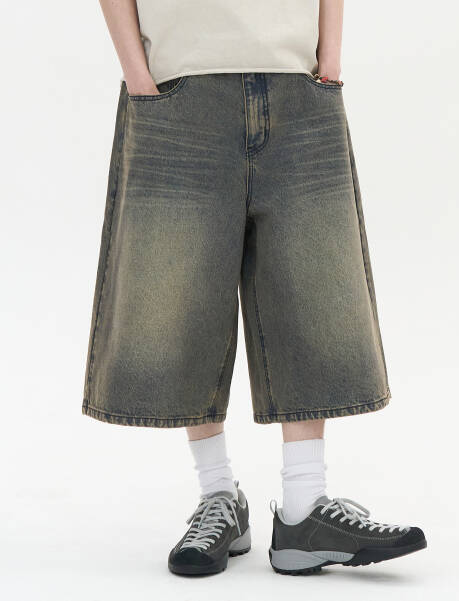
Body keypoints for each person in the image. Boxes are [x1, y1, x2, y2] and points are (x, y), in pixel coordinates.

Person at [82, 0, 427, 576]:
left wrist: (329, 62)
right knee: (181, 294)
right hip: (176, 89)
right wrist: (138, 77)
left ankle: (305, 508)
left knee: (314, 289)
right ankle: (217, 494)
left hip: (299, 84)